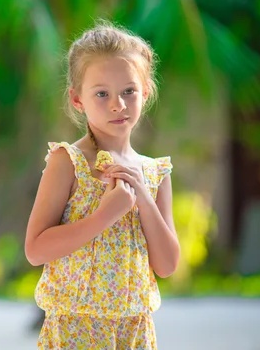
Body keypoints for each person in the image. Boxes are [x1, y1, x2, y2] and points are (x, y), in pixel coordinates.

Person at [24, 22, 180, 349]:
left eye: (128, 91)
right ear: (78, 99)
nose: (117, 105)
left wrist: (143, 198)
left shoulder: (155, 173)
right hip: (74, 329)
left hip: (134, 331)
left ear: (146, 91)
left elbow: (167, 265)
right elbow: (36, 250)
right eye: (101, 94)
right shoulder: (67, 162)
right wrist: (104, 216)